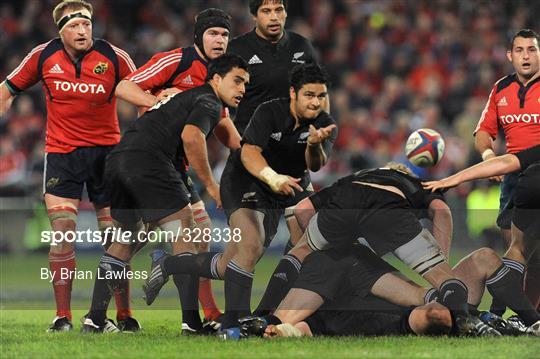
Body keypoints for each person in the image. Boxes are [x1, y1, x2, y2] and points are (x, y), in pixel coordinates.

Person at [143, 63, 337, 330]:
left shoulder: (324, 124)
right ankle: (235, 323)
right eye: (310, 95)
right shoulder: (269, 112)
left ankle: (172, 264)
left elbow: (314, 165)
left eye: (321, 96)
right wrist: (272, 177)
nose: (316, 103)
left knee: (300, 241)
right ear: (293, 93)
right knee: (250, 245)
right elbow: (248, 154)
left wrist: (314, 146)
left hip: (291, 183)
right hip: (247, 178)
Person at [81, 54, 249, 333]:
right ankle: (192, 324)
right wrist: (211, 186)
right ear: (216, 80)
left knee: (125, 241)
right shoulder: (208, 101)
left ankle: (95, 319)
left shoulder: (188, 97)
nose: (242, 88)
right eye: (237, 81)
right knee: (186, 234)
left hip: (119, 160)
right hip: (150, 164)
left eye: (246, 83)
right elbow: (192, 137)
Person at [0, 0, 139, 332]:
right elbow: (7, 90)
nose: (83, 31)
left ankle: (123, 315)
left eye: (87, 24)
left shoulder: (116, 58)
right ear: (60, 30)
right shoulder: (42, 56)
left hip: (108, 155)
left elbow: (145, 92)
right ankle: (63, 317)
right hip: (63, 155)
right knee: (62, 233)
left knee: (115, 236)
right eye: (75, 26)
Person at [114, 7, 235, 325]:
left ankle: (204, 313)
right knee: (133, 238)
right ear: (199, 35)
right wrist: (155, 101)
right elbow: (124, 87)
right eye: (213, 33)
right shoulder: (176, 60)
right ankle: (111, 314)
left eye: (224, 34)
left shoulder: (218, 77)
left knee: (199, 232)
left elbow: (223, 127)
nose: (219, 39)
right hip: (150, 161)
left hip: (173, 167)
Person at [228, 0, 323, 255]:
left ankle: (286, 292)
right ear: (254, 16)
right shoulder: (237, 50)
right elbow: (219, 98)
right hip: (253, 156)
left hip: (292, 155)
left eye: (278, 10)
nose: (273, 17)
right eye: (266, 11)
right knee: (251, 249)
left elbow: (317, 93)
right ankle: (173, 264)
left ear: (286, 13)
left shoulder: (301, 46)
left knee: (309, 231)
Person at [423, 143, 540, 330]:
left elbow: (507, 161)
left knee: (518, 250)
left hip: (531, 183)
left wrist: (455, 179)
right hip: (533, 185)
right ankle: (524, 319)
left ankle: (498, 315)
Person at [473, 28, 540, 314]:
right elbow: (483, 132)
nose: (526, 55)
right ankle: (513, 316)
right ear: (510, 56)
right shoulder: (501, 88)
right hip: (513, 180)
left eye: (532, 49)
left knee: (533, 254)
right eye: (520, 50)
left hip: (539, 177)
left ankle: (510, 314)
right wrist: (489, 155)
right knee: (513, 252)